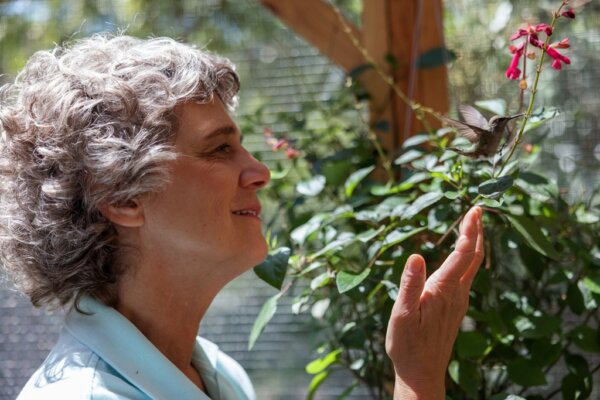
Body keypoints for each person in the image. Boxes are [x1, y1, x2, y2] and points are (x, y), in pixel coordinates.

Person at [0, 34, 483, 400]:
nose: (259, 171)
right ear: (121, 196)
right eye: (219, 149)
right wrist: (417, 381)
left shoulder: (221, 376)